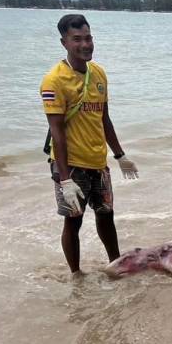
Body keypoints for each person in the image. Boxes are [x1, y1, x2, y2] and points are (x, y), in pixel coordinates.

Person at [40, 14, 138, 274]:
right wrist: (64, 179)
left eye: (88, 38)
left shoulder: (98, 73)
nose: (85, 44)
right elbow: (57, 132)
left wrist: (119, 156)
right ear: (64, 43)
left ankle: (116, 266)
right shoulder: (54, 81)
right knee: (73, 222)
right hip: (70, 165)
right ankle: (76, 275)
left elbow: (104, 118)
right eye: (77, 40)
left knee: (106, 215)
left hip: (98, 161)